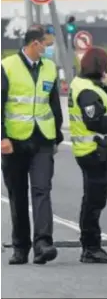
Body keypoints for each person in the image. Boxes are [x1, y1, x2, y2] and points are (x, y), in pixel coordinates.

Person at [1, 25, 63, 265]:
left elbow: (54, 104)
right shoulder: (7, 67)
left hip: (42, 139)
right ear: (34, 44)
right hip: (14, 141)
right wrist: (2, 136)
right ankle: (20, 247)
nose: (48, 49)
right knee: (18, 195)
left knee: (42, 190)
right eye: (46, 44)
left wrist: (56, 136)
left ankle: (43, 243)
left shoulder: (49, 68)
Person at [68, 46, 107, 264]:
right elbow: (95, 121)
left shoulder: (86, 85)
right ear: (100, 67)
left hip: (91, 150)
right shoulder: (87, 91)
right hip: (94, 150)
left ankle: (90, 246)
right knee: (94, 201)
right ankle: (91, 247)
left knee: (92, 200)